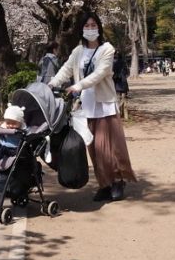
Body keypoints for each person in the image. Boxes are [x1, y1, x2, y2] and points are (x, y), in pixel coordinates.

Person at [48, 11, 137, 202]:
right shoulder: (78, 51)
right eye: (86, 26)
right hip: (85, 106)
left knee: (105, 146)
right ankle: (104, 183)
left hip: (104, 104)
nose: (90, 29)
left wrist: (78, 85)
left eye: (93, 25)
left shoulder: (107, 49)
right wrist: (52, 83)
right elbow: (66, 68)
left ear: (99, 27)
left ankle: (117, 181)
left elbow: (101, 73)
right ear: (81, 29)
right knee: (92, 148)